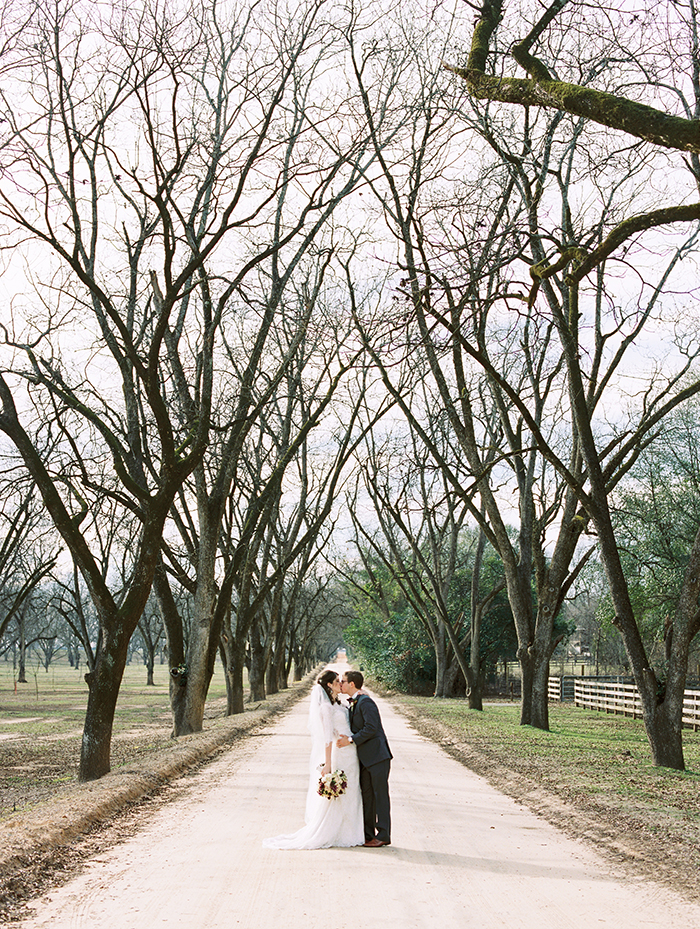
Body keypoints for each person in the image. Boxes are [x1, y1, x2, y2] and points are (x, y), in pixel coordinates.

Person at [262, 669, 364, 849]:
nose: (341, 683)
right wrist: (328, 765)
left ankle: (353, 830)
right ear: (329, 685)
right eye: (337, 681)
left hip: (350, 752)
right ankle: (338, 832)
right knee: (342, 794)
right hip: (341, 753)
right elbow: (327, 738)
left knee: (353, 791)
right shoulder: (325, 707)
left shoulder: (337, 703)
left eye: (342, 681)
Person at [336, 670, 392, 847]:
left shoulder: (366, 702)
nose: (340, 684)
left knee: (380, 796)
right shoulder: (355, 702)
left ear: (352, 684)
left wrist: (350, 740)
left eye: (343, 681)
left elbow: (371, 728)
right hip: (365, 759)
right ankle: (367, 834)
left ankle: (383, 835)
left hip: (377, 757)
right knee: (367, 796)